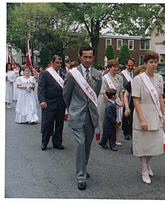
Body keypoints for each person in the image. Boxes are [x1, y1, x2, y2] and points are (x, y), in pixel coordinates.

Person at [63, 45, 102, 191]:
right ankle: (81, 177)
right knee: (80, 144)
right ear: (79, 57)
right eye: (85, 57)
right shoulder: (72, 74)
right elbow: (66, 95)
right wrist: (72, 109)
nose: (87, 59)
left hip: (91, 115)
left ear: (93, 57)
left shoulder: (97, 74)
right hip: (77, 114)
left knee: (87, 145)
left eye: (90, 57)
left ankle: (83, 167)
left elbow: (95, 94)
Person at [132, 50, 165, 184]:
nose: (154, 65)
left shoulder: (159, 78)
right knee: (142, 143)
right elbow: (135, 100)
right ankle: (143, 169)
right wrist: (142, 119)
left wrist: (164, 113)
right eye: (151, 62)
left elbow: (159, 96)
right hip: (143, 111)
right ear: (145, 63)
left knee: (155, 143)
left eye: (156, 62)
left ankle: (147, 163)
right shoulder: (138, 79)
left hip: (155, 113)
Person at [38, 55, 67, 151]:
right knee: (47, 124)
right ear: (52, 62)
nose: (59, 65)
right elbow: (41, 88)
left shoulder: (63, 72)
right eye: (57, 63)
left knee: (59, 124)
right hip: (49, 102)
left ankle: (57, 142)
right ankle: (45, 142)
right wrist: (42, 100)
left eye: (60, 63)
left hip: (60, 103)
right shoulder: (45, 73)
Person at [98, 59, 124, 146]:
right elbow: (103, 92)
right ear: (109, 68)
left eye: (117, 67)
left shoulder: (119, 78)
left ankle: (115, 138)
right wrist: (110, 102)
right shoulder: (104, 78)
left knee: (116, 120)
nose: (116, 68)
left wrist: (122, 101)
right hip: (106, 102)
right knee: (105, 120)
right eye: (114, 67)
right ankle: (105, 137)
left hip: (116, 101)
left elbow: (120, 90)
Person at [123, 65, 146, 153]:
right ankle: (134, 144)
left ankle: (143, 145)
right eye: (141, 74)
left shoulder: (149, 85)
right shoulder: (131, 83)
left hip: (144, 107)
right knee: (134, 126)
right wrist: (127, 107)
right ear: (137, 74)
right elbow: (125, 96)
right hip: (133, 107)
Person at [121, 58, 135, 140]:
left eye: (132, 65)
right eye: (129, 65)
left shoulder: (135, 74)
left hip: (133, 97)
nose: (130, 67)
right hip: (125, 96)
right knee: (126, 115)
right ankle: (126, 132)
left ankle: (131, 131)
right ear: (126, 65)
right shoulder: (122, 74)